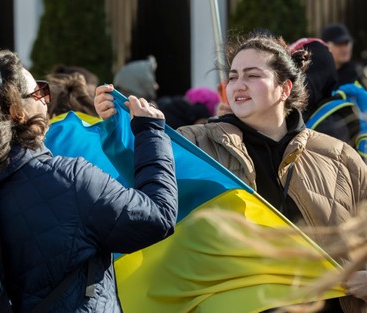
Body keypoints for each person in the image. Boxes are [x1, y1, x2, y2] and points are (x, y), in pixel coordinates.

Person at [95, 33, 367, 312]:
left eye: (252, 75)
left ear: (284, 88)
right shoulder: (194, 143)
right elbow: (144, 182)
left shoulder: (338, 156)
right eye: (234, 76)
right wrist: (124, 131)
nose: (238, 85)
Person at [0, 50, 178, 312]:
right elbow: (158, 216)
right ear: (16, 111)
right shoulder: (70, 180)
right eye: (38, 94)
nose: (46, 102)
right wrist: (150, 133)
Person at [321, 23, 365, 88]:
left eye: (346, 43)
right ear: (326, 46)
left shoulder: (358, 73)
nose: (344, 49)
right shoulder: (318, 76)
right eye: (339, 44)